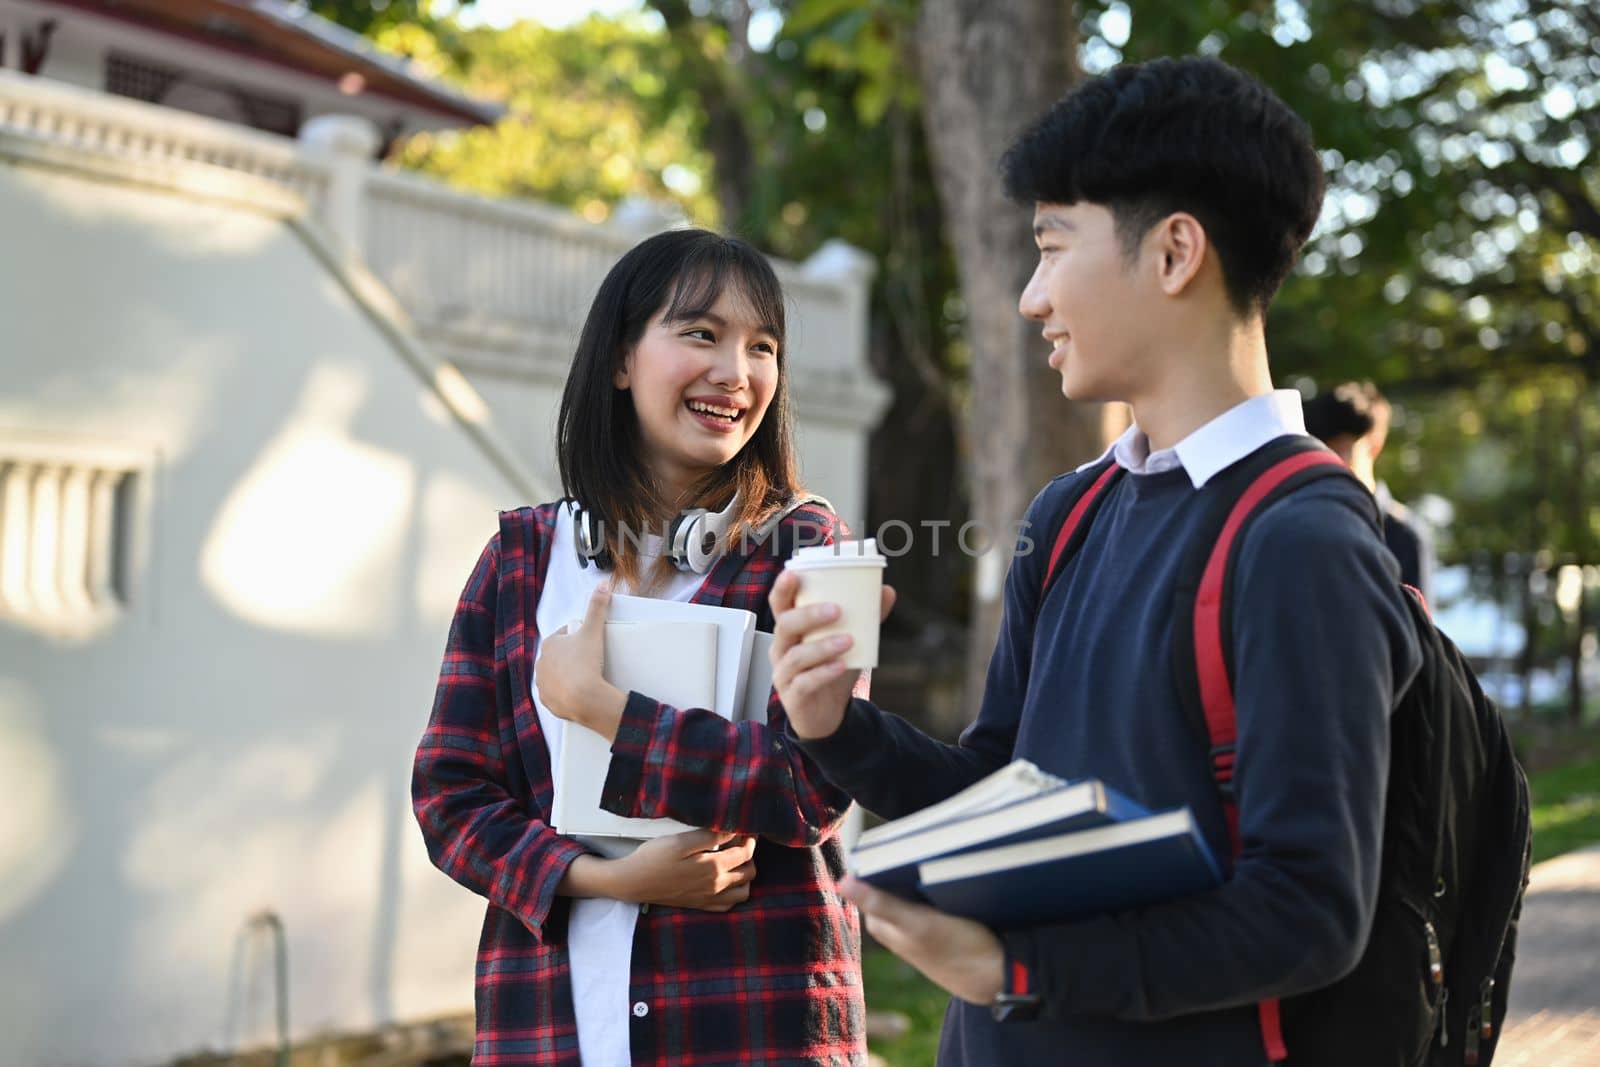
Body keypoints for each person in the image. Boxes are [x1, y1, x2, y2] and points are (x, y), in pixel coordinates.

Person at [769, 57, 1423, 1066]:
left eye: (1050, 246)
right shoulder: (1069, 512)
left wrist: (1015, 970)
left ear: (1173, 253)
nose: (1032, 299)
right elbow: (997, 785)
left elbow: (1307, 911)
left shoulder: (1302, 541)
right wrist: (835, 726)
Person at [413, 229, 867, 1066]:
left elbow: (815, 784)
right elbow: (450, 798)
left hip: (751, 1031)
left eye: (761, 347)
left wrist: (607, 711)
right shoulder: (518, 560)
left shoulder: (812, 547)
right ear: (621, 358)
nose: (737, 372)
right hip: (548, 1027)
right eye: (702, 334)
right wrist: (605, 878)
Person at [1303, 381, 1435, 597]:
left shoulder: (1403, 535)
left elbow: (1417, 626)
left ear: (1375, 444)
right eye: (1325, 451)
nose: (1333, 462)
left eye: (1343, 450)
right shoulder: (1304, 523)